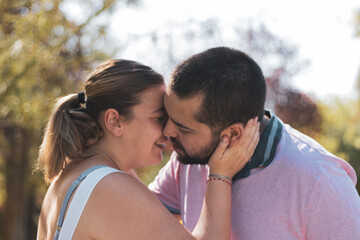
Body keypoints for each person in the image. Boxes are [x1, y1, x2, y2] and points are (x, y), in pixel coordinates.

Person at [149, 47, 360, 240]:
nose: (167, 132)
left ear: (232, 134)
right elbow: (133, 215)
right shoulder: (186, 159)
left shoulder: (320, 180)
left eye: (183, 127)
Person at [36, 59, 260, 240]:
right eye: (159, 117)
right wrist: (220, 176)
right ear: (114, 121)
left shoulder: (68, 176)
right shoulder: (111, 187)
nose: (168, 130)